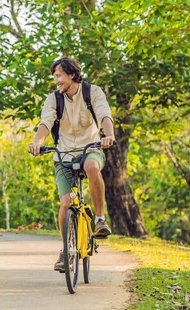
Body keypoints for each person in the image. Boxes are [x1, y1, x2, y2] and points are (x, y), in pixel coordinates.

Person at [27, 58, 115, 272]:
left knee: (92, 168)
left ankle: (100, 220)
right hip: (64, 154)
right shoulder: (53, 99)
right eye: (55, 77)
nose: (56, 81)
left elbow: (104, 114)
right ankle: (65, 250)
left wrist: (109, 135)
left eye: (59, 76)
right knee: (65, 203)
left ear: (72, 75)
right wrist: (37, 142)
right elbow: (46, 122)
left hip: (91, 148)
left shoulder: (92, 92)